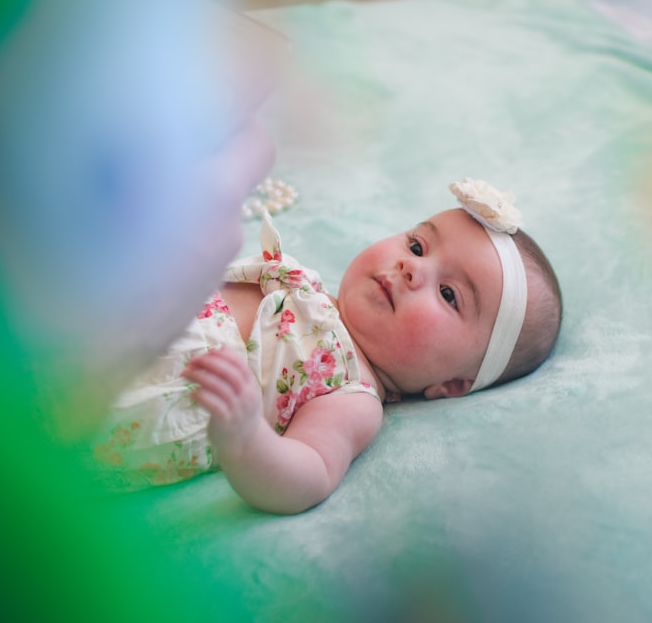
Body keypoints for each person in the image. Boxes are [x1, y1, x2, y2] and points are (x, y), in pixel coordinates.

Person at [90, 178, 563, 514]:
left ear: (452, 384)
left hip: (135, 393)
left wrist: (245, 437)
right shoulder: (308, 290)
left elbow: (307, 475)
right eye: (418, 246)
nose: (411, 268)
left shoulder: (352, 393)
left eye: (448, 295)